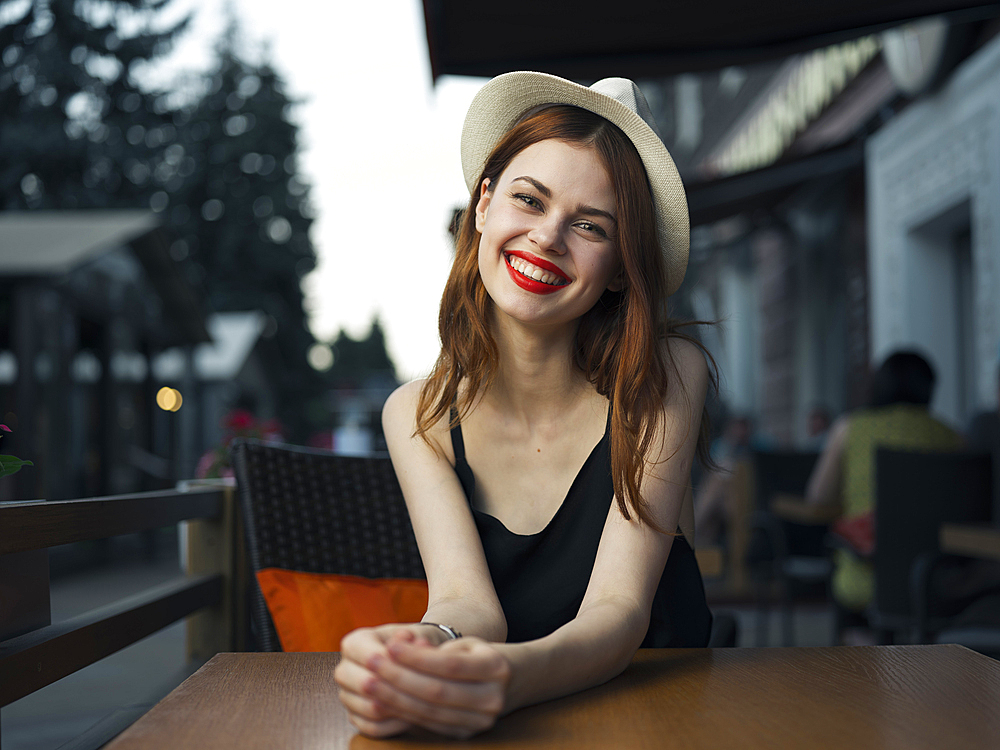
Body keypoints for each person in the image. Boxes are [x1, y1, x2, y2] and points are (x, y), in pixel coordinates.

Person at [334, 72, 714, 738]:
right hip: (508, 729)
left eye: (590, 225)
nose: (547, 237)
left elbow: (620, 611)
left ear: (623, 267)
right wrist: (417, 654)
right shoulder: (416, 415)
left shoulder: (666, 375)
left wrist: (503, 678)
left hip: (662, 721)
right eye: (529, 200)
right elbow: (466, 609)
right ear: (483, 204)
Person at [805, 351, 962, 641]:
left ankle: (863, 655)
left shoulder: (850, 428)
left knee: (848, 596)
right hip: (937, 579)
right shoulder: (953, 436)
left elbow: (818, 497)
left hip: (868, 575)